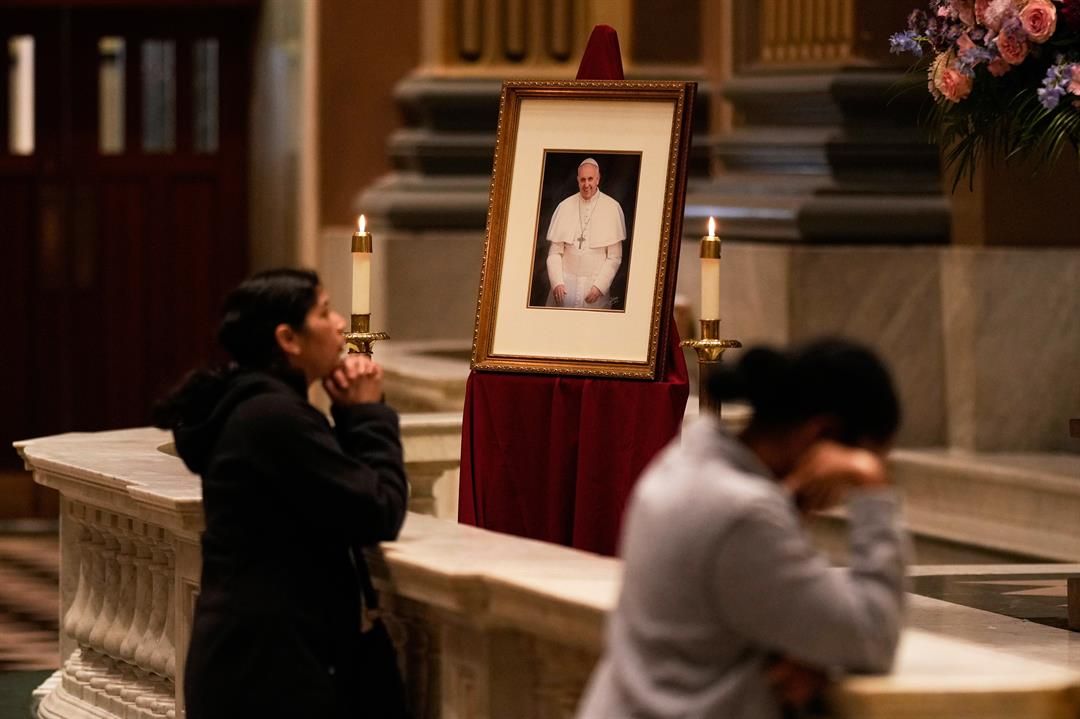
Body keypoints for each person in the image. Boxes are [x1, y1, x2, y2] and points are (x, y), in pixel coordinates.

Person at [576, 338, 907, 719]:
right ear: (821, 437)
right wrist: (873, 489)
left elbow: (742, 610)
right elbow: (873, 635)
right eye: (869, 456)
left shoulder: (684, 466)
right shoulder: (743, 513)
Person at [152, 268, 409, 719]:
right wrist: (369, 413)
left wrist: (351, 417)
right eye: (325, 312)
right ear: (288, 339)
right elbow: (378, 508)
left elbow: (339, 495)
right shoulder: (273, 419)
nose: (340, 325)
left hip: (252, 658)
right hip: (271, 673)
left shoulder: (260, 409)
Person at [545, 157, 626, 309]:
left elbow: (614, 257)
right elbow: (554, 253)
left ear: (598, 179)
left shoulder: (612, 208)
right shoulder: (564, 206)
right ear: (577, 180)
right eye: (582, 180)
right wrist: (557, 283)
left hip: (594, 288)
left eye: (590, 179)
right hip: (565, 288)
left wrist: (599, 287)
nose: (586, 184)